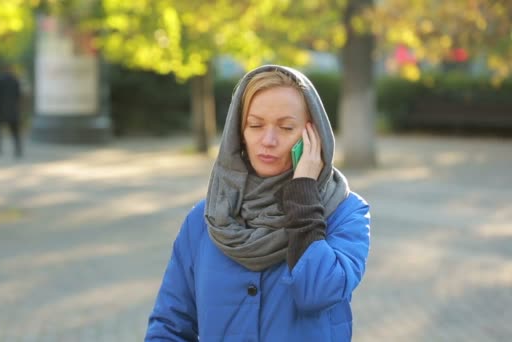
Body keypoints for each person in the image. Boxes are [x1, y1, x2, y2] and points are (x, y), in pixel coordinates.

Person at [145, 65, 371, 341]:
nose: (268, 140)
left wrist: (303, 197)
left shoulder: (346, 213)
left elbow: (318, 293)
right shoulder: (204, 220)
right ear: (239, 132)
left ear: (313, 136)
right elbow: (170, 326)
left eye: (286, 127)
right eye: (255, 125)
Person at [0, 64, 23, 158]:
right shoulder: (15, 80)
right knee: (15, 132)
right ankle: (18, 150)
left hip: (1, 110)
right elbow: (18, 96)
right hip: (12, 110)